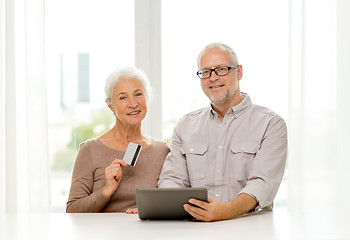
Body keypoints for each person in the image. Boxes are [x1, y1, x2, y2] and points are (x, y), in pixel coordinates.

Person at [158, 42, 288, 222]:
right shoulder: (185, 125)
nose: (213, 77)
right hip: (195, 230)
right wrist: (162, 207)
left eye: (221, 69)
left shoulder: (271, 124)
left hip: (250, 231)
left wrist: (224, 211)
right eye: (205, 72)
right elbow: (172, 180)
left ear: (239, 72)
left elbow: (263, 183)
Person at [66, 66, 169, 213]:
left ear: (147, 97)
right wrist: (106, 191)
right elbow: (72, 211)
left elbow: (172, 203)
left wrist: (153, 210)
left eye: (138, 94)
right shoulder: (89, 150)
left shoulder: (162, 150)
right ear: (110, 105)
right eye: (123, 97)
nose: (133, 104)